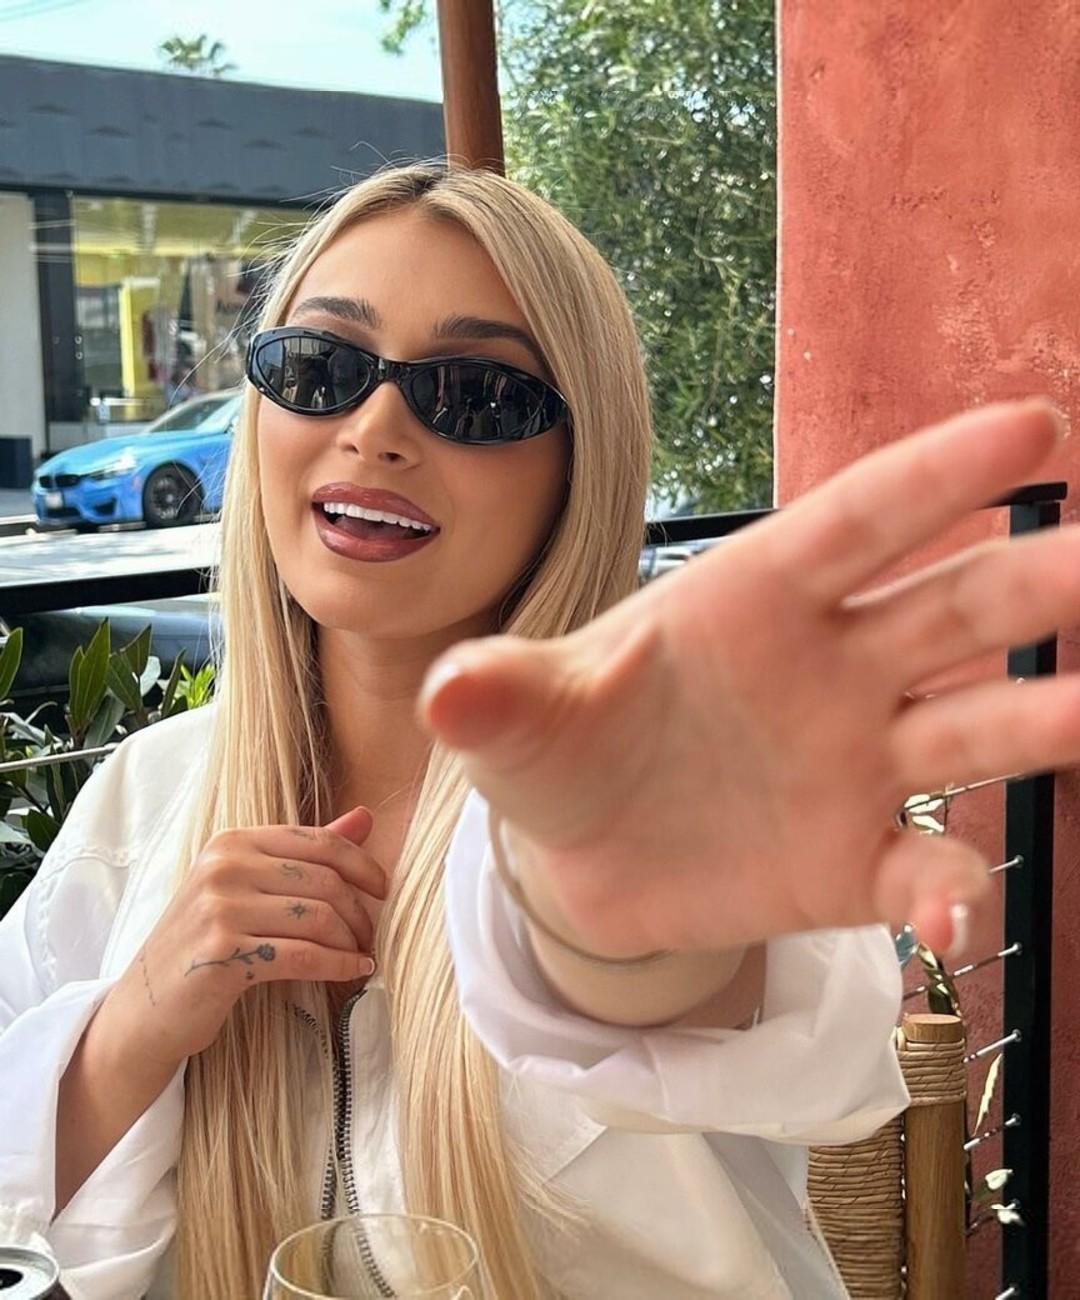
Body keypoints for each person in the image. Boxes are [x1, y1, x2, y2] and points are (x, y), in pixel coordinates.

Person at [0, 163, 1074, 1299]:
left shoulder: (652, 780)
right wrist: (135, 1024)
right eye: (320, 366)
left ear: (577, 469)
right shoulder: (142, 799)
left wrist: (603, 921)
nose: (375, 428)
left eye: (477, 394)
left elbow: (708, 991)